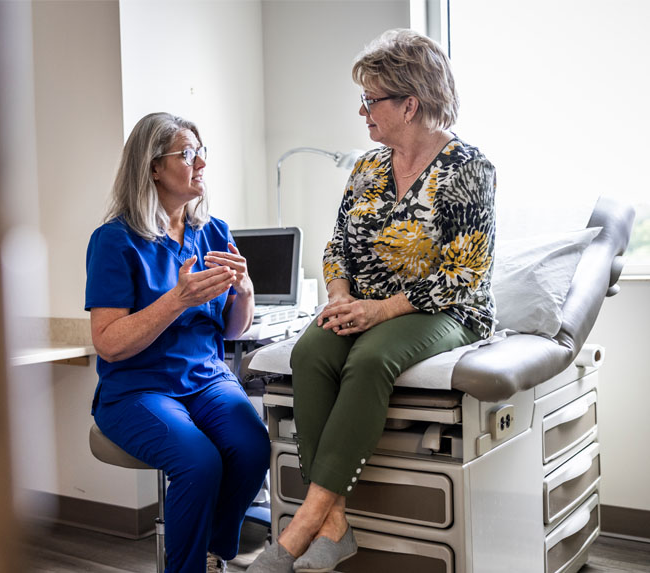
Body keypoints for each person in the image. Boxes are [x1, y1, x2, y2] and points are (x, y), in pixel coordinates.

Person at [248, 29, 496, 573]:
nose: (363, 112)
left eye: (371, 100)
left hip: (445, 310)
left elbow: (467, 273)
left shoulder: (468, 168)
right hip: (363, 303)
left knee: (369, 358)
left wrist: (380, 311)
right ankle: (335, 527)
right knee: (310, 353)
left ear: (409, 103)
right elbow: (337, 246)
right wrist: (339, 297)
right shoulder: (365, 168)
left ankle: (301, 529)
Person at [86, 112, 270, 573]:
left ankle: (210, 554)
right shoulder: (115, 241)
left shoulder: (213, 232)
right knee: (199, 462)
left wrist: (245, 291)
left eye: (202, 151)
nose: (202, 163)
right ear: (152, 168)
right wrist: (178, 299)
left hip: (206, 379)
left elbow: (232, 331)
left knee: (252, 448)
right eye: (188, 154)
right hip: (137, 389)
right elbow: (108, 343)